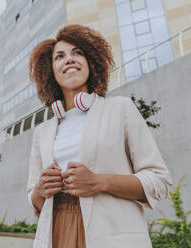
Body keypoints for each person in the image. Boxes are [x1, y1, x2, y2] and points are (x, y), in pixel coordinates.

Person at [27, 24, 172, 248]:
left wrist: (98, 181)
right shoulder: (42, 132)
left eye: (78, 53)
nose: (70, 59)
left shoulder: (120, 108)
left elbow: (159, 181)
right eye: (60, 56)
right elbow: (34, 200)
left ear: (91, 63)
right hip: (56, 231)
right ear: (50, 71)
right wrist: (40, 190)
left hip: (111, 233)